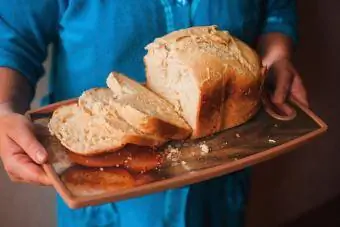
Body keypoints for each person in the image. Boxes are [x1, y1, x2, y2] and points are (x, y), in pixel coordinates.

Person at [0, 0, 308, 226]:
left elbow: (276, 9)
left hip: (216, 197)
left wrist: (277, 53)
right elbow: (12, 38)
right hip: (107, 200)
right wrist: (4, 108)